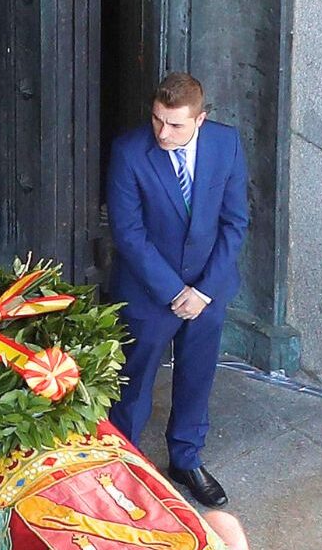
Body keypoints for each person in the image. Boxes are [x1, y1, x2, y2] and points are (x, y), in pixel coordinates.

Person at [106, 72, 248, 509]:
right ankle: (122, 465)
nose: (163, 133)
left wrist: (203, 291)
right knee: (134, 380)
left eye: (175, 125)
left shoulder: (226, 145)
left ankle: (186, 458)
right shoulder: (130, 152)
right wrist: (173, 291)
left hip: (208, 289)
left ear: (200, 119)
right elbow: (128, 233)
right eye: (157, 121)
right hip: (151, 291)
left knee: (197, 373)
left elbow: (235, 221)